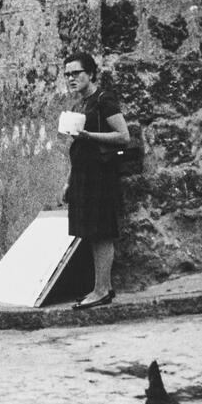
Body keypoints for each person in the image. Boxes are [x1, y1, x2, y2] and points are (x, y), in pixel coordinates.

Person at [62, 52, 130, 310]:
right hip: (83, 174)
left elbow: (123, 136)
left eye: (76, 73)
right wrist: (69, 180)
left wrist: (90, 135)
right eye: (67, 74)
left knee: (102, 233)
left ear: (90, 74)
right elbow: (77, 147)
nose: (71, 78)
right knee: (91, 232)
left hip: (101, 174)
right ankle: (102, 287)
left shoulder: (104, 99)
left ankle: (102, 290)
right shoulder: (80, 105)